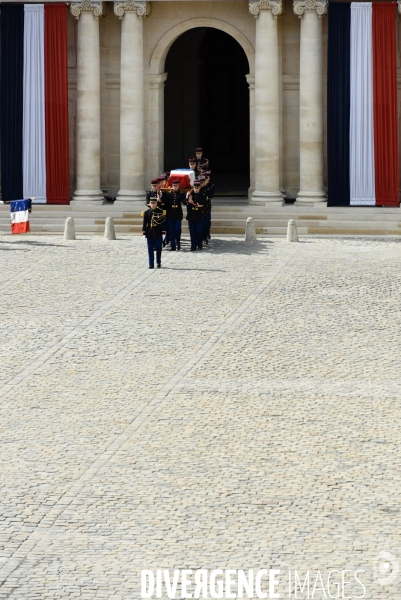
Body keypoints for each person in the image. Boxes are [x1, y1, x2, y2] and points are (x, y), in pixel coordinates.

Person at [142, 197, 166, 268]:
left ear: (156, 204)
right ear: (149, 204)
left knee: (159, 247)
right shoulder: (147, 212)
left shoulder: (160, 211)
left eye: (154, 203)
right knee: (150, 248)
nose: (153, 205)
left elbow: (163, 223)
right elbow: (144, 223)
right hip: (149, 232)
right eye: (152, 203)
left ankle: (158, 262)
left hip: (158, 231)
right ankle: (151, 264)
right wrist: (144, 233)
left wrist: (164, 232)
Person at [164, 180, 185, 251]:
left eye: (176, 186)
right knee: (171, 230)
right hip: (170, 213)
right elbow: (165, 202)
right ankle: (173, 245)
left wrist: (188, 197)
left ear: (179, 186)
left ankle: (178, 242)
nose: (175, 187)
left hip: (178, 213)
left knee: (177, 229)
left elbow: (184, 202)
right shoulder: (169, 194)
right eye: (173, 186)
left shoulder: (181, 194)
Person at [186, 180, 205, 251]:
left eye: (197, 188)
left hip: (199, 215)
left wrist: (193, 202)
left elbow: (202, 204)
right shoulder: (190, 194)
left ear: (200, 188)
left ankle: (199, 243)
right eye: (195, 188)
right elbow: (184, 202)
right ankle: (193, 245)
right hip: (191, 215)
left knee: (199, 231)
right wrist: (188, 199)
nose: (196, 189)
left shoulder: (202, 194)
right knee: (192, 231)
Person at [203, 172, 214, 240]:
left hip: (207, 206)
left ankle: (207, 233)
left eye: (207, 178)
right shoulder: (200, 185)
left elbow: (210, 195)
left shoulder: (211, 185)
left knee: (207, 222)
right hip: (200, 207)